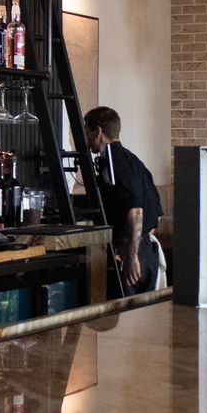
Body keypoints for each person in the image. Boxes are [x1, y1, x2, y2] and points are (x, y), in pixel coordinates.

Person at [84, 105, 164, 295]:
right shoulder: (132, 160)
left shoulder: (116, 162)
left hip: (130, 252)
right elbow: (156, 212)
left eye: (86, 132)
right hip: (146, 250)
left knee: (123, 319)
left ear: (98, 132)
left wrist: (132, 255)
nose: (85, 139)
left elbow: (136, 209)